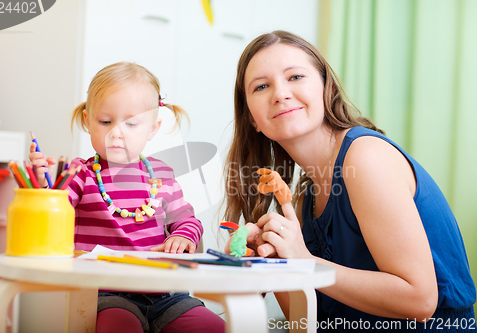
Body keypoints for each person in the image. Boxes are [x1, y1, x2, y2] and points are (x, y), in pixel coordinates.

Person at [223, 30, 476, 332]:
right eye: (262, 86)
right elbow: (308, 323)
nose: (280, 93)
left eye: (296, 77)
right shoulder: (305, 200)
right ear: (252, 118)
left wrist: (304, 261)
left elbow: (420, 300)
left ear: (327, 89)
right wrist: (276, 262)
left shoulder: (366, 158)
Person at [30, 62, 225, 333]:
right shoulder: (80, 173)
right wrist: (43, 185)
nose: (117, 132)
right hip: (103, 295)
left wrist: (182, 236)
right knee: (119, 326)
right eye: (105, 121)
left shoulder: (163, 176)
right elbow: (53, 211)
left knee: (214, 327)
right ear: (88, 121)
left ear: (153, 129)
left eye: (131, 123)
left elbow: (188, 221)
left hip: (165, 294)